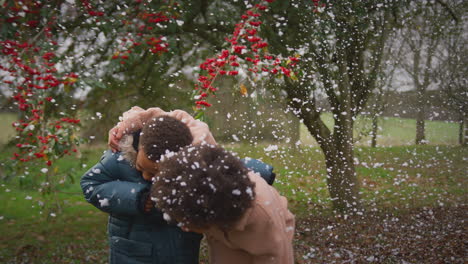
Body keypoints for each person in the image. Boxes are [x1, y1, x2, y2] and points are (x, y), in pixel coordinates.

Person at [81, 116, 202, 264]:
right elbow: (90, 184)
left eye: (154, 174)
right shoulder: (120, 158)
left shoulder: (191, 166)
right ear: (138, 149)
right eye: (140, 168)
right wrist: (135, 197)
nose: (146, 177)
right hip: (133, 252)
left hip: (181, 250)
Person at [150, 144, 296, 264]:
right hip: (223, 227)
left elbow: (279, 258)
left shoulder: (263, 217)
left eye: (186, 223)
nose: (184, 228)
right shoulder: (201, 196)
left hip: (263, 233)